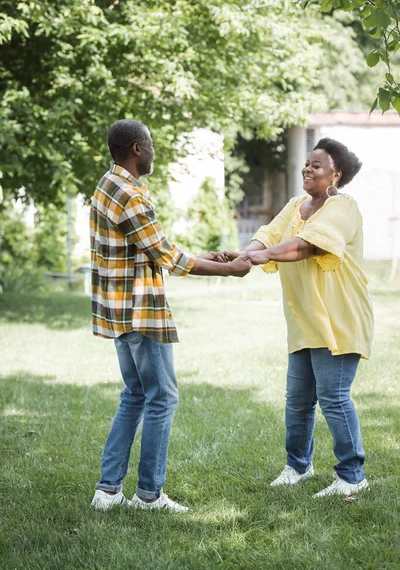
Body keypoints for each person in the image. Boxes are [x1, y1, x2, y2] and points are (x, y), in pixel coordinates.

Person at [90, 119, 251, 512]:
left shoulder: (107, 185)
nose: (153, 151)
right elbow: (166, 257)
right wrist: (229, 269)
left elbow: (154, 245)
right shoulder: (131, 194)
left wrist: (203, 257)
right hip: (139, 311)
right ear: (136, 149)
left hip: (118, 310)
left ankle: (108, 491)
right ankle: (149, 494)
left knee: (135, 395)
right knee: (162, 397)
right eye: (150, 144)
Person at [229, 137, 373, 498]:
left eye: (317, 165)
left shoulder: (344, 208)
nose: (307, 169)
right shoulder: (297, 205)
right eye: (307, 163)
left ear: (335, 175)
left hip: (338, 319)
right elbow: (267, 236)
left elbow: (305, 245)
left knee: (334, 397)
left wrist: (258, 258)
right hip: (304, 321)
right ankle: (298, 467)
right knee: (298, 400)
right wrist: (241, 255)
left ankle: (352, 476)